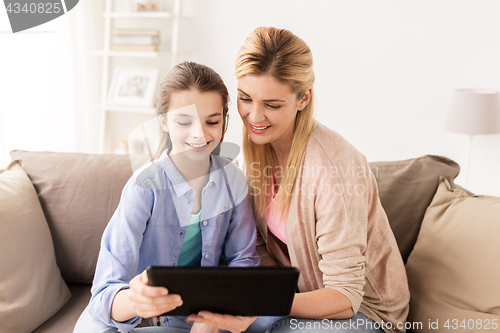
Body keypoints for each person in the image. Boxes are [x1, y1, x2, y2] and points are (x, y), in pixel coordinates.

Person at [188, 27, 410, 333]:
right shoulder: (254, 152)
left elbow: (346, 297)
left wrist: (258, 302)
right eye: (245, 98)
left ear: (303, 98)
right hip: (299, 298)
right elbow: (260, 245)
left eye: (272, 105)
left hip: (366, 313)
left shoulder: (336, 167)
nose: (254, 116)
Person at [73, 61, 260, 333]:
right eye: (185, 121)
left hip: (204, 315)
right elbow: (104, 295)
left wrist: (213, 316)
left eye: (212, 121)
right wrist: (137, 301)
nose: (200, 134)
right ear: (163, 121)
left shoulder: (232, 181)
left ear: (224, 122)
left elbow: (244, 261)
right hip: (140, 320)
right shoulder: (143, 187)